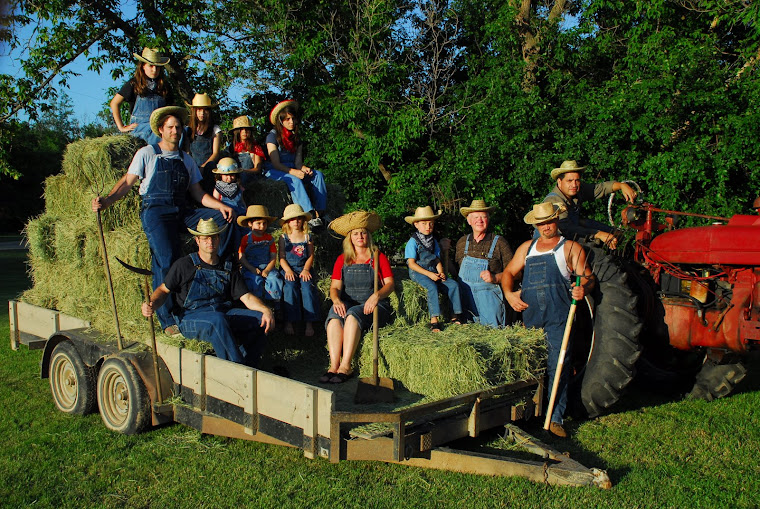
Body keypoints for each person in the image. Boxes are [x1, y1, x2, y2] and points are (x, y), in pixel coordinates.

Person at [92, 105, 235, 335]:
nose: (176, 131)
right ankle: (167, 319)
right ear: (161, 130)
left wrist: (221, 206)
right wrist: (107, 201)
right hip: (156, 211)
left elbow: (198, 194)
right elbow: (127, 183)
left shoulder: (185, 159)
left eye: (178, 127)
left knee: (223, 219)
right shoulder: (147, 153)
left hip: (182, 210)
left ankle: (215, 270)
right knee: (167, 258)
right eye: (171, 127)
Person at [501, 202, 594, 438]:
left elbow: (588, 278)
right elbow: (509, 273)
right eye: (540, 223)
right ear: (536, 225)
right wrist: (509, 294)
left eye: (549, 222)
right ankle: (528, 414)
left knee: (558, 365)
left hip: (559, 319)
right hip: (531, 319)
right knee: (530, 366)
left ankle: (555, 417)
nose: (545, 227)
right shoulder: (526, 248)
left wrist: (583, 288)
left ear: (557, 220)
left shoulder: (570, 248)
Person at [141, 218, 274, 366]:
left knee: (261, 320)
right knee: (217, 321)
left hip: (222, 313)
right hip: (190, 317)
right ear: (197, 240)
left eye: (213, 237)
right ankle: (238, 371)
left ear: (219, 239)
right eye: (205, 238)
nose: (210, 241)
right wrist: (152, 303)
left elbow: (246, 297)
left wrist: (265, 310)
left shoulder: (227, 266)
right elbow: (163, 290)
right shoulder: (184, 265)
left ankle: (250, 366)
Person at [322, 211, 394, 384]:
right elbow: (335, 287)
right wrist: (336, 300)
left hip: (375, 305)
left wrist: (377, 295)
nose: (360, 236)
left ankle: (346, 366)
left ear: (368, 235)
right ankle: (333, 365)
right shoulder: (343, 259)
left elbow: (390, 284)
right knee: (334, 316)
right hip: (349, 302)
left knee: (353, 315)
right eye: (355, 233)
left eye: (363, 232)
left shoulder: (378, 257)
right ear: (350, 238)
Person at [542, 160, 637, 249]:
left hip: (573, 232)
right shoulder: (554, 201)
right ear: (559, 181)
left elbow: (601, 188)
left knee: (612, 232)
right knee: (594, 250)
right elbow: (568, 229)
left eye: (577, 180)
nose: (574, 185)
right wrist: (598, 234)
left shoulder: (577, 190)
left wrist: (621, 185)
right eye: (569, 181)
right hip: (556, 243)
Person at [263, 100, 328, 228]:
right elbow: (276, 163)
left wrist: (304, 169)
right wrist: (294, 172)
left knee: (318, 175)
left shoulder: (296, 138)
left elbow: (298, 162)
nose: (291, 122)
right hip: (276, 170)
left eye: (293, 118)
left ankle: (321, 212)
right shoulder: (272, 137)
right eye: (287, 119)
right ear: (280, 121)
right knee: (294, 180)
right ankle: (308, 215)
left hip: (292, 167)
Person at [455, 199, 513, 328]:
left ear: (488, 219)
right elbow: (455, 271)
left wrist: (495, 277)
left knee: (493, 339)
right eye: (476, 217)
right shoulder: (461, 243)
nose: (479, 220)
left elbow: (516, 273)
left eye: (483, 217)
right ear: (469, 221)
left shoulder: (499, 243)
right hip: (466, 303)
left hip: (490, 304)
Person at [405, 206, 463, 332]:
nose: (428, 226)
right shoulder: (413, 242)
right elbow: (411, 264)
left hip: (433, 270)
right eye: (424, 223)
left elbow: (437, 260)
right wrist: (429, 275)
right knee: (432, 287)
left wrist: (441, 272)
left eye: (430, 223)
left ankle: (455, 315)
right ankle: (434, 320)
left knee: (453, 284)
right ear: (416, 225)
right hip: (418, 272)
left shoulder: (433, 241)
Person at [110, 48, 171, 145]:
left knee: (181, 131)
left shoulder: (165, 86)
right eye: (151, 66)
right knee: (154, 133)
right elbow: (114, 103)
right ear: (143, 66)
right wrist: (121, 127)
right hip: (140, 129)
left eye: (157, 67)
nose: (154, 70)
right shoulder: (134, 84)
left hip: (160, 128)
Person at [278, 204, 320, 337]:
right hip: (288, 269)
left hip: (304, 268)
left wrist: (306, 269)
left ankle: (309, 322)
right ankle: (289, 321)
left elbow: (311, 255)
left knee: (307, 288)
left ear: (303, 220)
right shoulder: (283, 238)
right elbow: (282, 258)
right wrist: (288, 271)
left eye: (298, 219)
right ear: (287, 222)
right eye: (292, 219)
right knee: (289, 288)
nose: (296, 222)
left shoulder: (307, 237)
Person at [236, 205, 284, 305]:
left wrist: (267, 269)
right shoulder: (246, 239)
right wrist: (251, 268)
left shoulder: (269, 238)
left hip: (267, 265)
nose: (262, 227)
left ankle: (276, 303)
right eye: (258, 223)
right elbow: (241, 257)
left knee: (274, 279)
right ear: (250, 224)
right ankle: (257, 303)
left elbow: (273, 257)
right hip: (251, 266)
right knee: (254, 280)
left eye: (264, 223)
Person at [184, 93, 222, 193]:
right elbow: (187, 151)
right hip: (193, 164)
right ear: (194, 111)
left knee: (210, 171)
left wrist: (203, 167)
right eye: (199, 110)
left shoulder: (215, 129)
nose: (202, 113)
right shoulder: (188, 129)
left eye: (205, 110)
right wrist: (193, 168)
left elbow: (216, 153)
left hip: (208, 166)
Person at [230, 115, 266, 186]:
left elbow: (257, 169)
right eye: (241, 129)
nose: (245, 131)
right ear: (237, 132)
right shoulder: (231, 148)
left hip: (251, 178)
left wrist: (243, 171)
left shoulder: (255, 147)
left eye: (247, 129)